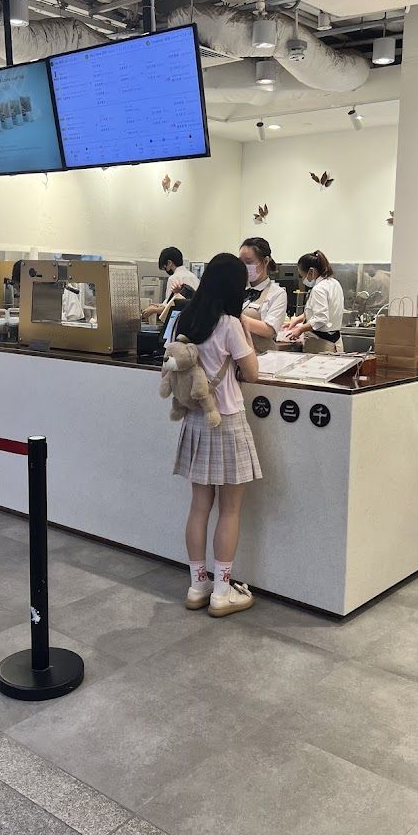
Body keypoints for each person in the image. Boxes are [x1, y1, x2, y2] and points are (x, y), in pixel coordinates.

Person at [171, 252, 260, 618]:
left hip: (194, 422)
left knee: (199, 507)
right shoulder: (230, 324)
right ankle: (222, 592)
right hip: (227, 421)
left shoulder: (187, 317)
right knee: (231, 510)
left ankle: (197, 586)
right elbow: (251, 372)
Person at [285, 249, 345, 352]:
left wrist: (300, 329)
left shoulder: (319, 289)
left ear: (311, 271)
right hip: (336, 342)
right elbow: (320, 310)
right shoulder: (334, 283)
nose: (303, 279)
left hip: (322, 344)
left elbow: (321, 318)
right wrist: (297, 320)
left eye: (302, 275)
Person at [238, 237, 287, 353]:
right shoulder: (237, 288)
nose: (244, 266)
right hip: (237, 357)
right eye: (241, 262)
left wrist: (234, 317)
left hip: (262, 357)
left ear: (265, 261)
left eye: (249, 262)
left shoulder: (277, 293)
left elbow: (269, 330)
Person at [141, 247, 199, 321]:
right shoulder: (194, 277)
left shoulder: (173, 278)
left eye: (165, 267)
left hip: (181, 321)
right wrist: (158, 306)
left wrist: (153, 310)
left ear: (169, 263)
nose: (166, 270)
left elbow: (170, 309)